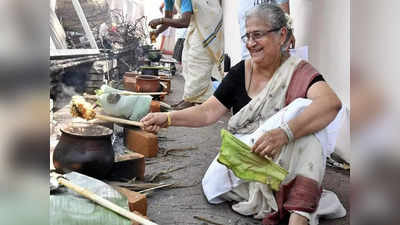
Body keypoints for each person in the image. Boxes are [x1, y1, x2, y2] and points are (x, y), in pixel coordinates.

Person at [142, 4, 343, 225]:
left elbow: (331, 104)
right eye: (247, 36)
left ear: (282, 34)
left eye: (258, 35)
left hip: (286, 155)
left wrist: (284, 133)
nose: (250, 44)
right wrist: (168, 118)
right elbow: (208, 111)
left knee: (306, 124)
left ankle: (299, 215)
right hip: (248, 160)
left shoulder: (298, 70)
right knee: (214, 183)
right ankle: (289, 195)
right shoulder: (240, 71)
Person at [149, 0, 224, 110]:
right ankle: (191, 98)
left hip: (207, 24)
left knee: (197, 61)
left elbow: (184, 22)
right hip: (196, 24)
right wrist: (157, 32)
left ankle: (193, 100)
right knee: (187, 60)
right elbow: (168, 19)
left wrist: (160, 20)